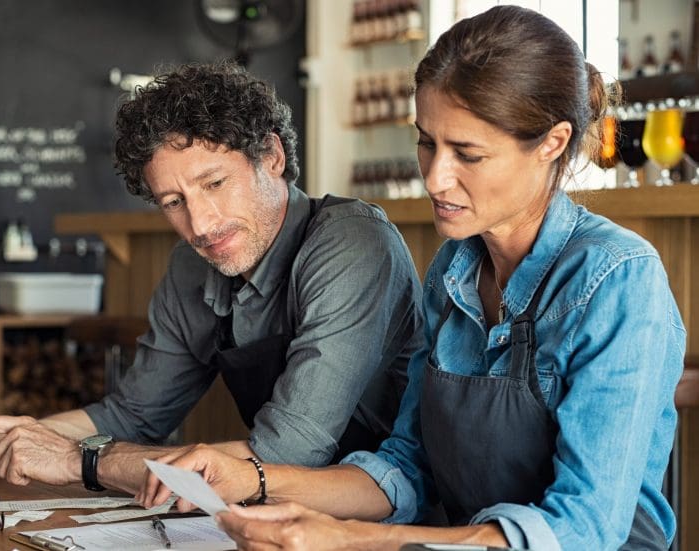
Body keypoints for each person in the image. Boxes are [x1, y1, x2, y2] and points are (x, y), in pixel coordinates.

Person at [139, 7, 685, 550]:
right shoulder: (454, 270)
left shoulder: (618, 279)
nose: (435, 176)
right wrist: (255, 479)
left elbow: (585, 528)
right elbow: (407, 465)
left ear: (552, 143)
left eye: (467, 153)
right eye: (427, 142)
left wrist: (352, 539)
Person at [0, 62, 424, 493]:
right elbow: (134, 413)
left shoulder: (351, 244)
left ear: (272, 157)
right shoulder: (191, 265)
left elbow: (287, 452)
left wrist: (80, 462)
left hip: (392, 513)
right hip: (281, 516)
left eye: (215, 183)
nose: (200, 225)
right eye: (173, 202)